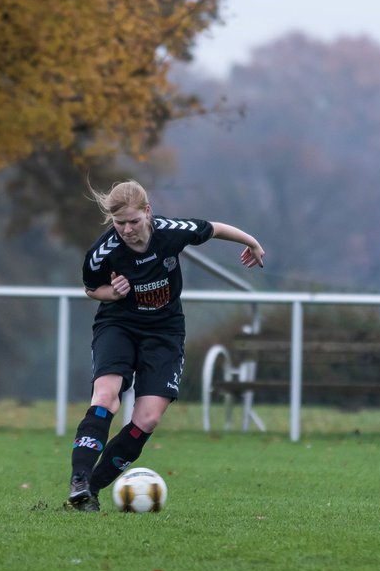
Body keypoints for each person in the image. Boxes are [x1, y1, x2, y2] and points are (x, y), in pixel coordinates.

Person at [65, 179, 266, 511]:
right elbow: (91, 288)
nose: (127, 230)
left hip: (165, 331)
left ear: (147, 212)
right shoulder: (102, 253)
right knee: (106, 396)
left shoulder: (171, 232)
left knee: (147, 419)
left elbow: (213, 228)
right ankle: (79, 479)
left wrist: (251, 242)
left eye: (133, 221)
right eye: (119, 223)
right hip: (119, 325)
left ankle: (92, 491)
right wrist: (111, 293)